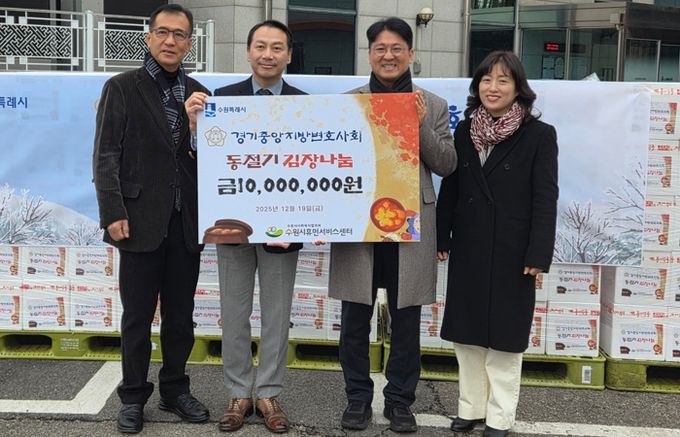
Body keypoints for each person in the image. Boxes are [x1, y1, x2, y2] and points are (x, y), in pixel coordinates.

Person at [328, 17, 457, 434]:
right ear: (369, 54)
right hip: (360, 226)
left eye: (397, 48)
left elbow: (447, 164)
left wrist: (418, 125)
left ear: (411, 54)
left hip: (410, 228)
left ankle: (400, 401)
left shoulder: (433, 104)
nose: (389, 56)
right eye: (380, 48)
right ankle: (357, 399)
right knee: (354, 320)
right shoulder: (348, 103)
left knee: (406, 323)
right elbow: (331, 163)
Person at [92, 4, 210, 434]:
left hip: (186, 222)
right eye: (162, 32)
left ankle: (175, 390)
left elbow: (210, 161)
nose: (170, 41)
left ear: (189, 43)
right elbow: (106, 153)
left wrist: (196, 129)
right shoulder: (122, 87)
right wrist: (113, 212)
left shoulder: (200, 93)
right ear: (148, 37)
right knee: (137, 317)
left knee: (181, 316)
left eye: (179, 35)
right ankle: (133, 397)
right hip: (138, 219)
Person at [185, 20, 305, 434]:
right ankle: (238, 392)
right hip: (232, 225)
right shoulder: (222, 100)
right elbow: (205, 162)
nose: (268, 54)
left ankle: (268, 392)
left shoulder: (307, 106)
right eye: (261, 46)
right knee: (233, 313)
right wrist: (195, 128)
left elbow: (312, 171)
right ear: (249, 51)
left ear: (289, 55)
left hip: (283, 228)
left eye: (277, 47)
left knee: (277, 314)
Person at [436, 51, 559, 437]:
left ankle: (500, 417)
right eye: (486, 80)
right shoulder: (465, 130)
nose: (493, 87)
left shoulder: (539, 135)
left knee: (505, 339)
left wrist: (539, 252)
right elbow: (452, 187)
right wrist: (442, 234)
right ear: (477, 86)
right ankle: (470, 408)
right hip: (470, 245)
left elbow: (545, 198)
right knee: (467, 336)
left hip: (513, 250)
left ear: (518, 88)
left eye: (503, 80)